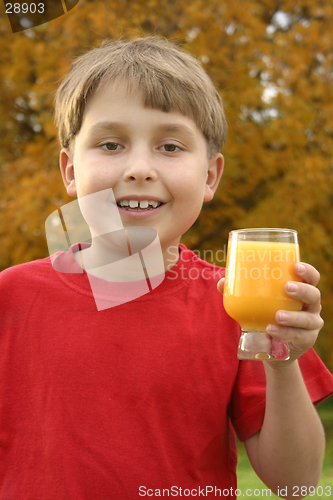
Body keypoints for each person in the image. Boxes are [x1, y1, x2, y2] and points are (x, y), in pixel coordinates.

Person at [0, 36, 332, 500]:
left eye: (170, 147)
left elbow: (295, 484)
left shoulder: (239, 305)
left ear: (210, 176)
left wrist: (283, 360)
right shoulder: (10, 297)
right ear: (71, 171)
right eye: (111, 144)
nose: (139, 168)